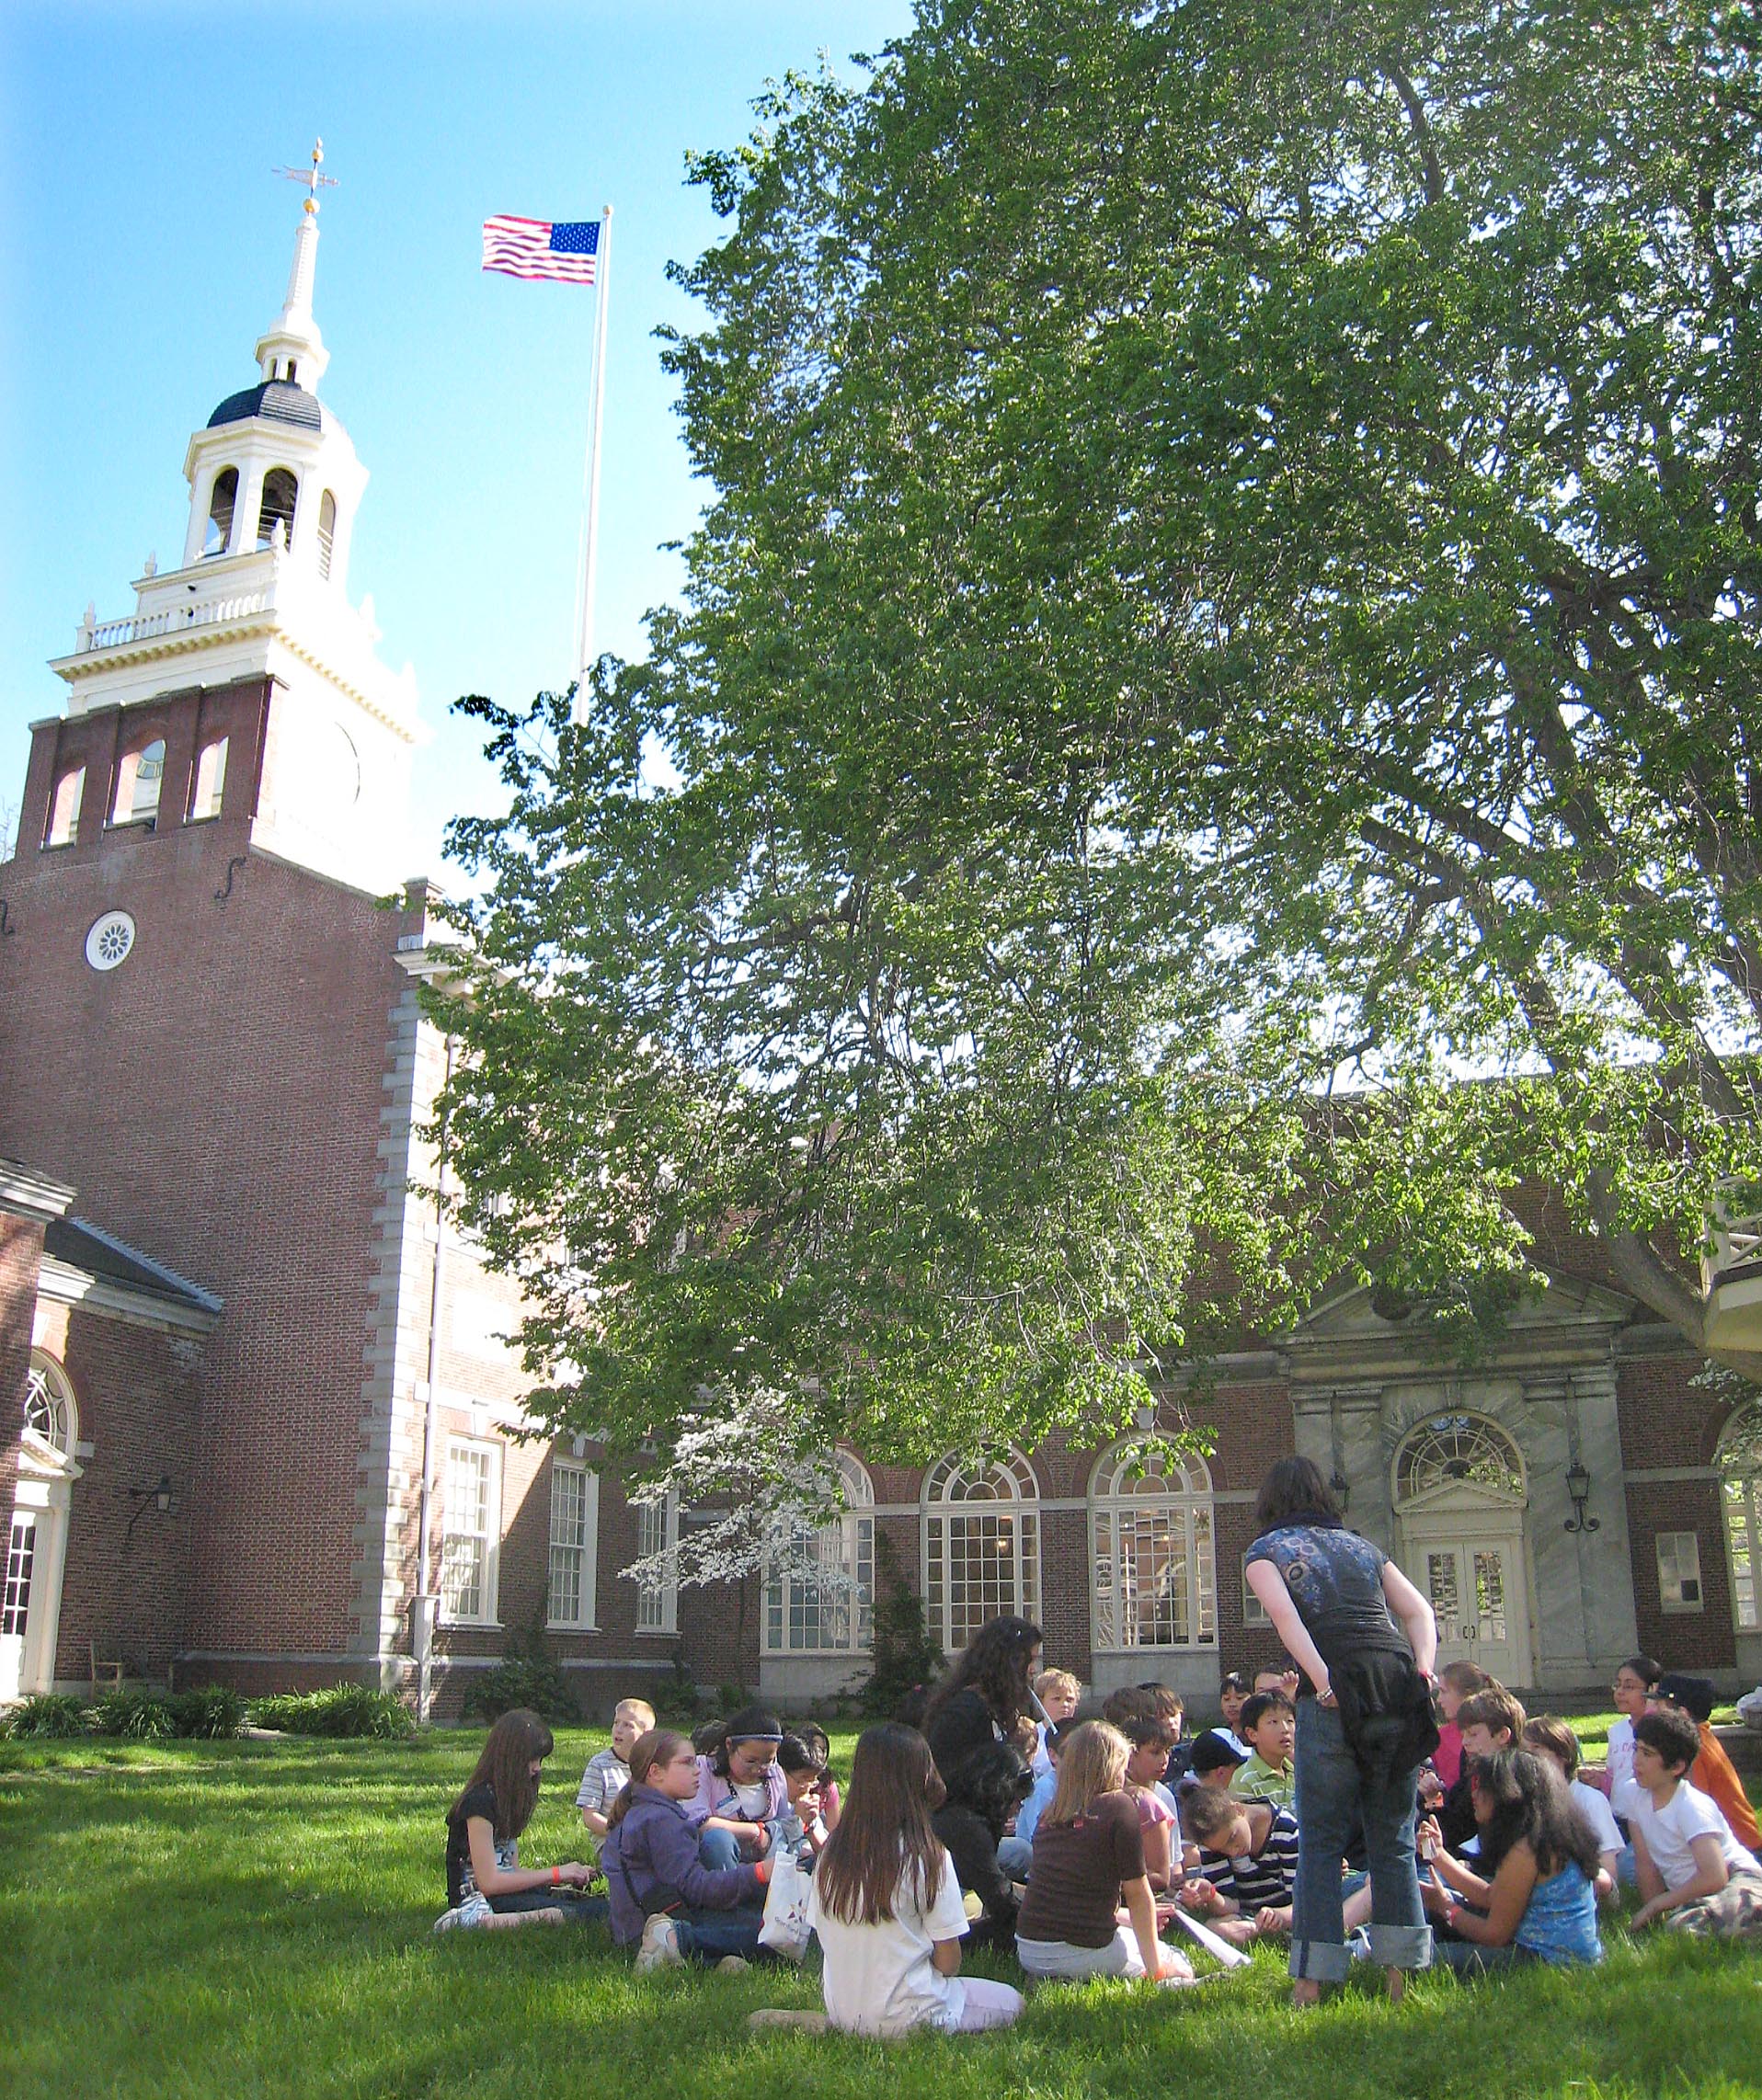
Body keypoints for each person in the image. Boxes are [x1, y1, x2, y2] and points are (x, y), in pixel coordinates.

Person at [1243, 1455, 1438, 2005]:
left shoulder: (1265, 1553)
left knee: (1322, 1843)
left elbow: (1289, 1622)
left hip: (1337, 1691)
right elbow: (1421, 1613)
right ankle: (1402, 1980)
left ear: (1269, 1503)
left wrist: (1323, 1685)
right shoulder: (1363, 1548)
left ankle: (1312, 1980)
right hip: (1396, 1684)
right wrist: (1422, 1671)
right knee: (1393, 1841)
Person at [772, 1722, 1024, 2037]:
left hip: (843, 2012)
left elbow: (825, 1937)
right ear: (921, 1779)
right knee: (1013, 2002)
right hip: (911, 2014)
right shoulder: (928, 1856)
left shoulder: (831, 1853)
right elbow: (949, 1962)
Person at [1014, 1720, 1194, 1983]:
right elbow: (1138, 1892)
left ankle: (1058, 1977)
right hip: (1082, 1947)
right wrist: (1157, 1968)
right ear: (1112, 1768)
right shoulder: (1118, 1806)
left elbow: (1072, 1895)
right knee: (1177, 1961)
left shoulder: (1049, 1814)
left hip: (1029, 1948)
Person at [602, 1727, 774, 1970]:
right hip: (653, 1929)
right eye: (687, 1763)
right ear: (655, 1772)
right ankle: (677, 1944)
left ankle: (719, 1962)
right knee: (771, 1933)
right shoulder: (662, 1820)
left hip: (629, 1929)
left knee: (754, 1916)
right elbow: (697, 1888)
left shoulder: (641, 1809)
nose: (697, 1771)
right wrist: (758, 1873)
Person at [1419, 1750, 1604, 1972]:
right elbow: (1491, 1896)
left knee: (1417, 1957)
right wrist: (1438, 1855)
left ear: (1509, 1795)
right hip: (1554, 1952)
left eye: (1483, 1787)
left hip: (1547, 1961)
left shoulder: (1526, 1850)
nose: (1474, 1794)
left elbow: (1495, 1935)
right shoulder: (1543, 1833)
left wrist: (1446, 1908)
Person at [436, 1707, 605, 1932]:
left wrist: (563, 1876)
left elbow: (511, 1871)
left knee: (595, 1904)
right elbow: (489, 1882)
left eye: (540, 1760)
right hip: (477, 1899)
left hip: (503, 1893)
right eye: (532, 1760)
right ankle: (472, 1922)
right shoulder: (478, 1803)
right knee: (583, 1914)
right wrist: (556, 1873)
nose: (537, 1768)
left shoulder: (505, 1799)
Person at [1625, 1707, 1762, 1941]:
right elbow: (1645, 1863)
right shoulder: (1634, 1796)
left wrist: (1657, 1905)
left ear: (1676, 1767)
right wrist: (1651, 1914)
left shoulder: (1692, 1806)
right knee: (1679, 1928)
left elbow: (1715, 1876)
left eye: (1647, 1754)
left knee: (1693, 1928)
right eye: (1636, 1749)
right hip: (1698, 1895)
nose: (1636, 1761)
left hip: (1736, 1879)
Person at [932, 1740, 1031, 1949]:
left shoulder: (957, 1807)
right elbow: (1001, 1901)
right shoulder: (969, 1829)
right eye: (1016, 1799)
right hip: (935, 1921)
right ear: (1001, 1793)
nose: (1018, 1807)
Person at [1180, 1779, 1302, 1945]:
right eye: (1222, 1850)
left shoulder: (1285, 1829)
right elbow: (1231, 1905)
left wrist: (1278, 1915)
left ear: (1238, 1809)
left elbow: (1302, 1901)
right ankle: (1258, 1932)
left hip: (1288, 1911)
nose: (1233, 1851)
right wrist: (1210, 1895)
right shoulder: (1212, 1843)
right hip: (1246, 1914)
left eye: (1232, 1838)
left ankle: (1265, 1932)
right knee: (1213, 1926)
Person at [1653, 1673, 1761, 1854]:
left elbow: (1694, 1806)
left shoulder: (1694, 1750)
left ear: (1682, 1714)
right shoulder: (1701, 1738)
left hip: (1738, 1849)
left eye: (1659, 1705)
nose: (1653, 1710)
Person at [1521, 1717, 1620, 1895]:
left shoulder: (1590, 1800)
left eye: (1537, 1748)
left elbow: (1608, 1869)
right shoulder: (1524, 1801)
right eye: (1524, 1750)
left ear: (1563, 1756)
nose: (1528, 1757)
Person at [687, 1705, 791, 1867]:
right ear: (729, 1745)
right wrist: (755, 1832)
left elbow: (785, 1821)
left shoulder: (775, 1774)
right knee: (718, 1839)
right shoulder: (704, 1769)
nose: (758, 1768)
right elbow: (700, 1823)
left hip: (766, 1857)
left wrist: (768, 1834)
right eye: (750, 1761)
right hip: (720, 1858)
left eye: (767, 1761)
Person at [1437, 1685, 1527, 1854]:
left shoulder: (1518, 1782)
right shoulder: (1473, 1771)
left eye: (1473, 1734)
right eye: (1463, 1735)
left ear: (1502, 1736)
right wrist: (1431, 1802)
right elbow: (1455, 1824)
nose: (1464, 1742)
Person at [1119, 1713, 1182, 1892]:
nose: (1164, 1760)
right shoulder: (1115, 1794)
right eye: (1155, 1752)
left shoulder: (1163, 1797)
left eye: (1167, 1751)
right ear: (1130, 1754)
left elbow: (1164, 1874)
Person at [578, 1697, 653, 1838]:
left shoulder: (652, 1767)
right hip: (611, 1838)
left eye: (627, 1725)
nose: (618, 1730)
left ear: (646, 1734)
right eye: (616, 1723)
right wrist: (620, 1834)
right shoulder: (599, 1765)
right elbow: (590, 1816)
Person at [1230, 1690, 1298, 1810]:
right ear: (1252, 1734)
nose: (1285, 1729)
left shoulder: (1298, 1772)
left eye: (1289, 1721)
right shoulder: (1245, 1780)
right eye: (1273, 1722)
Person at [1432, 1661, 1490, 1792]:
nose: (1438, 1699)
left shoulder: (1493, 1732)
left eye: (1444, 1692)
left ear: (1467, 1695)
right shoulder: (1439, 1737)